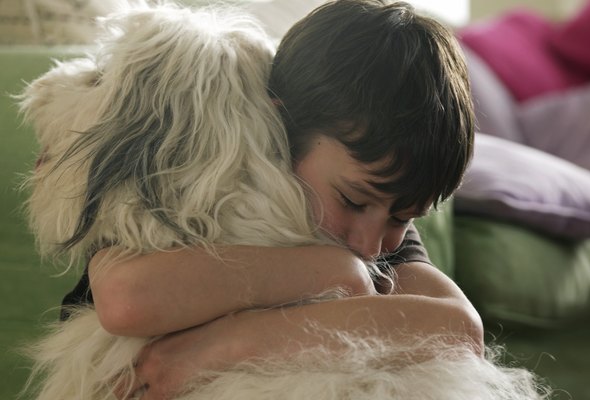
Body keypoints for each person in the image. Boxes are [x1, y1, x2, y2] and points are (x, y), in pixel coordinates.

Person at [62, 1, 478, 398]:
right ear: (280, 129)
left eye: (402, 218)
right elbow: (125, 300)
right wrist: (334, 271)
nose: (370, 246)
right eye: (352, 201)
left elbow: (460, 329)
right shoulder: (194, 178)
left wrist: (226, 345)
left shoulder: (373, 216)